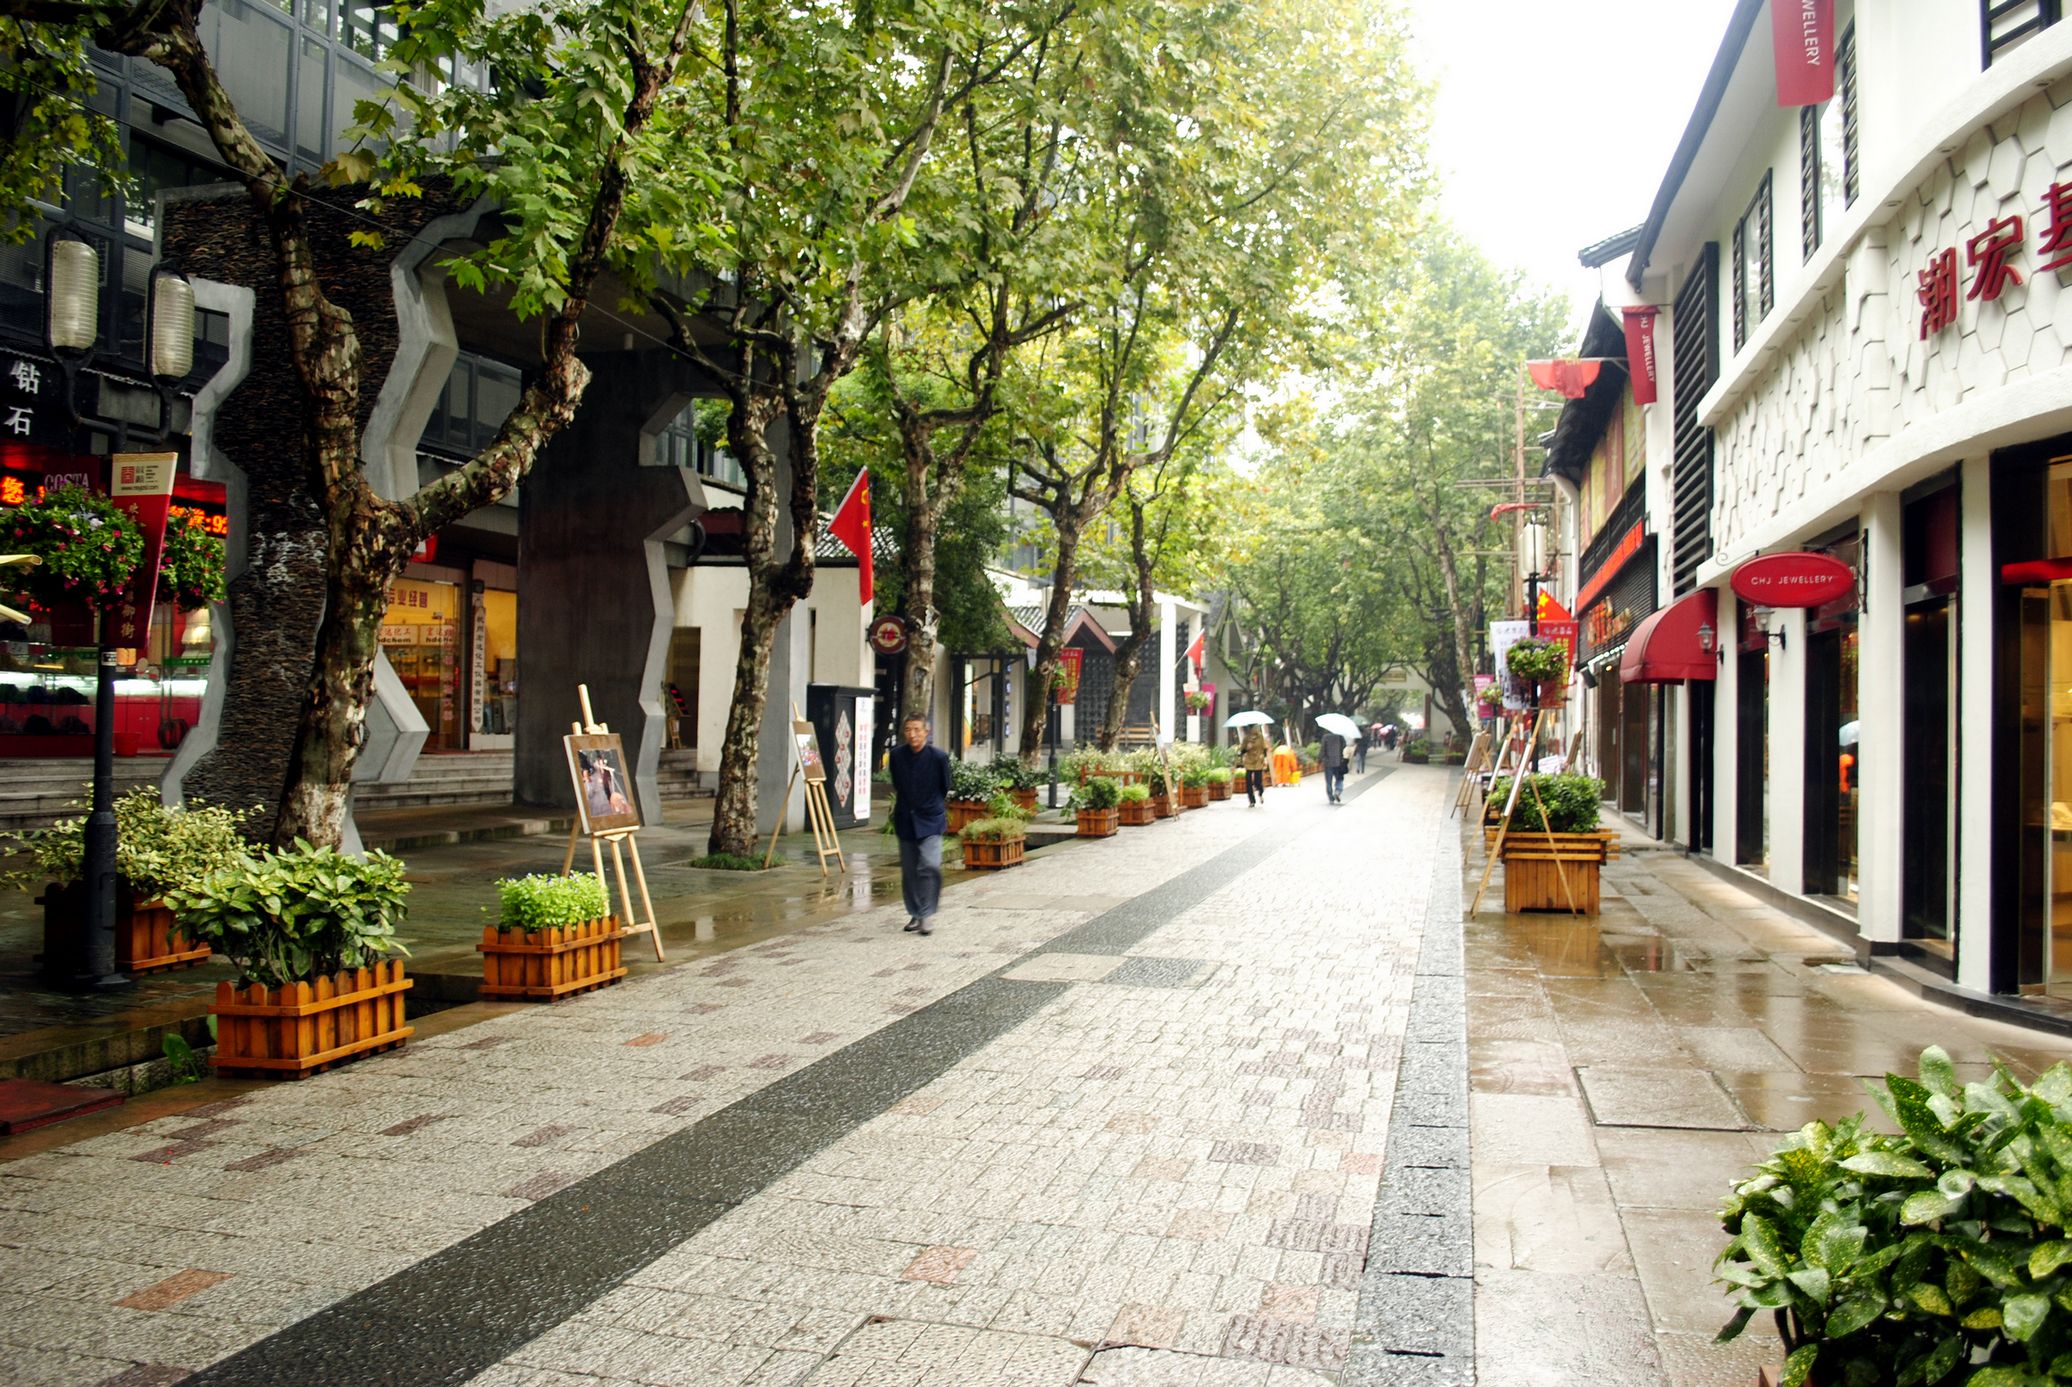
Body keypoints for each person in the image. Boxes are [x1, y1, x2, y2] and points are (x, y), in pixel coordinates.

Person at [887, 713, 952, 936]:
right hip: (906, 817)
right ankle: (915, 912)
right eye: (908, 730)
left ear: (926, 731)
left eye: (917, 729)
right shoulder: (896, 756)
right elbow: (897, 783)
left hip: (931, 818)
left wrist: (930, 804)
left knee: (930, 865)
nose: (912, 734)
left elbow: (945, 786)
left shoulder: (938, 757)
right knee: (910, 870)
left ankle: (926, 914)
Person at [1240, 725, 1272, 806]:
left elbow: (1265, 748)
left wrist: (1263, 756)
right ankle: (1252, 800)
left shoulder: (1260, 737)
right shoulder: (1246, 738)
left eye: (1256, 728)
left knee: (1258, 781)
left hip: (1258, 760)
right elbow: (1242, 751)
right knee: (1248, 781)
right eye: (1254, 728)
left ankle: (1260, 793)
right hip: (1249, 761)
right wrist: (1247, 748)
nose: (1256, 729)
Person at [1320, 727, 1348, 803]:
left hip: (1328, 762)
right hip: (1338, 762)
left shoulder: (1325, 737)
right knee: (1339, 778)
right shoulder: (1340, 736)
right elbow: (1345, 745)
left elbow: (1322, 749)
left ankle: (1330, 798)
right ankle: (1337, 791)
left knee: (1328, 781)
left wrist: (1320, 759)